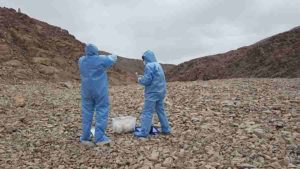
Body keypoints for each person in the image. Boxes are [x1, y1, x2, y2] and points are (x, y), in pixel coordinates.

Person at [78, 44, 117, 145]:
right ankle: (99, 138)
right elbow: (112, 58)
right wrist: (113, 54)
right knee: (102, 111)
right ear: (96, 51)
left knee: (87, 113)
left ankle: (85, 137)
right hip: (99, 91)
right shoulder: (100, 59)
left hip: (86, 92)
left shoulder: (81, 60)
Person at [134, 50, 171, 138]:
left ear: (146, 58)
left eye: (144, 59)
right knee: (160, 110)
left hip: (152, 93)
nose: (143, 61)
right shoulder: (158, 65)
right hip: (161, 92)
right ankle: (166, 129)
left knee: (147, 112)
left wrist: (139, 79)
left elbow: (147, 80)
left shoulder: (149, 66)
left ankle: (144, 132)